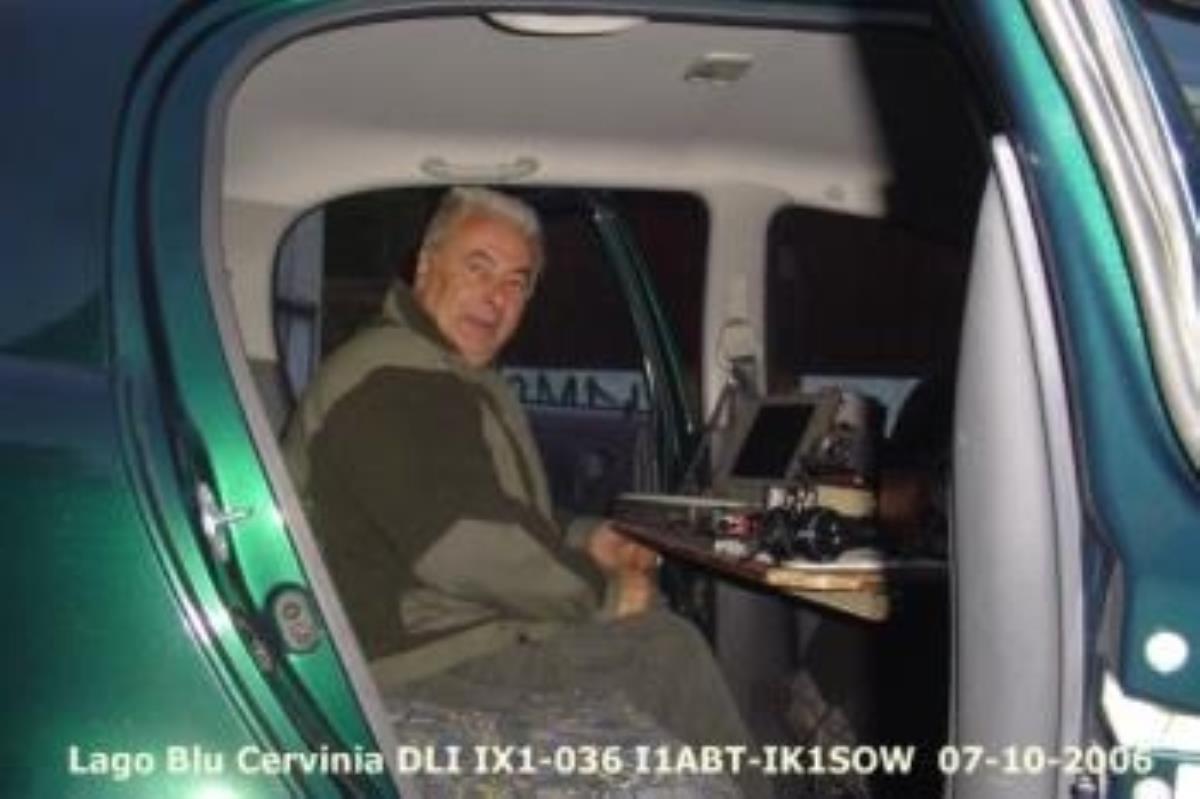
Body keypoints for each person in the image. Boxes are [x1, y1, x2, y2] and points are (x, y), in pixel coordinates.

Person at [284, 187, 766, 796]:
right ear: (425, 266)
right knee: (666, 648)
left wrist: (586, 538)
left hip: (445, 634)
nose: (496, 297)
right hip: (418, 660)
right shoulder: (393, 380)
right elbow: (464, 544)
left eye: (517, 282)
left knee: (658, 642)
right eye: (478, 267)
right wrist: (603, 593)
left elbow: (490, 509)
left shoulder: (444, 371)